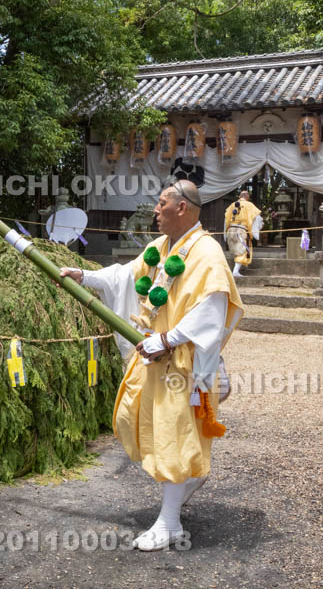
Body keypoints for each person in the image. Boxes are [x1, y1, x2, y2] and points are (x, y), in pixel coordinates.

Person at [60, 180, 244, 551]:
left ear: (183, 209)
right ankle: (184, 487)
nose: (155, 211)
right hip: (154, 357)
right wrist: (87, 277)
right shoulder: (161, 247)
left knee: (172, 435)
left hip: (184, 365)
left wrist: (167, 339)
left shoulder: (206, 252)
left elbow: (212, 307)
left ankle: (169, 522)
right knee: (137, 422)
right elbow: (129, 276)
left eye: (162, 204)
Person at [223, 190, 262, 277]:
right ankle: (235, 271)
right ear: (247, 196)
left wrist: (225, 232)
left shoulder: (232, 205)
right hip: (241, 231)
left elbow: (226, 219)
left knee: (237, 250)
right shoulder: (249, 205)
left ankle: (236, 270)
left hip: (231, 230)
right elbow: (257, 218)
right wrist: (256, 229)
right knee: (242, 251)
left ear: (240, 196)